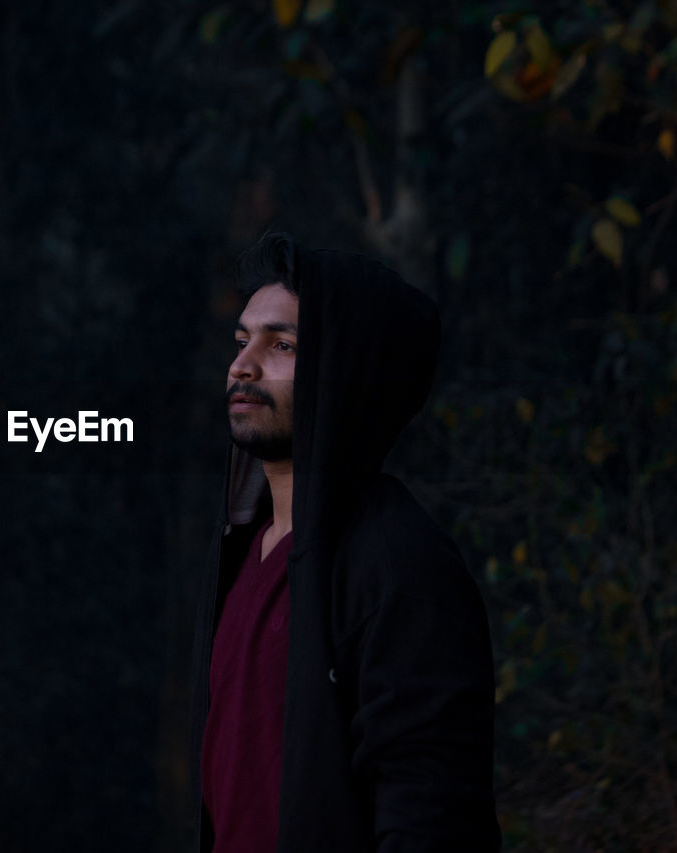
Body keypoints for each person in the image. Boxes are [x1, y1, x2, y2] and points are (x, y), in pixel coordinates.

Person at [188, 233, 501, 852]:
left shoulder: (398, 565)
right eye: (242, 340)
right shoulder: (241, 552)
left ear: (343, 374)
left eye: (282, 345)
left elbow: (431, 816)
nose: (242, 366)